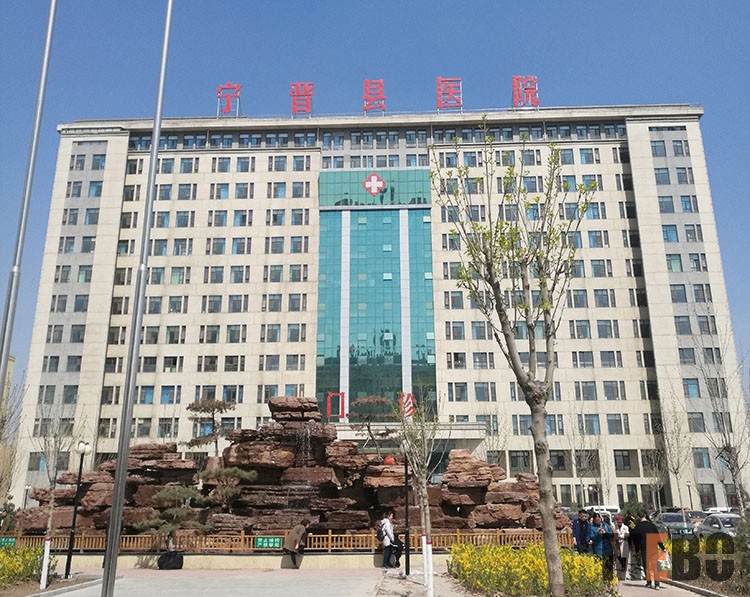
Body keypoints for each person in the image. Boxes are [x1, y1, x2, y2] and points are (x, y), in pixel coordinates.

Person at [631, 512, 665, 590]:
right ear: (645, 516)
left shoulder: (638, 526)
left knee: (646, 566)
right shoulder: (652, 525)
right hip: (653, 548)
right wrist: (663, 547)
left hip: (644, 548)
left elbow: (636, 538)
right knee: (655, 566)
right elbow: (657, 537)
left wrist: (637, 549)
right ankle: (657, 584)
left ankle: (649, 582)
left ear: (639, 517)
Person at [588, 513, 615, 582]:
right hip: (598, 549)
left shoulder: (605, 525)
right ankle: (600, 582)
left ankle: (609, 582)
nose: (598, 521)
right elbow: (592, 537)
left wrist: (605, 532)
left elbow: (612, 534)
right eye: (596, 520)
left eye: (599, 519)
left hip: (607, 548)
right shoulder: (592, 528)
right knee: (599, 567)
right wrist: (598, 534)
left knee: (608, 566)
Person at [615, 515, 630, 580]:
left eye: (620, 522)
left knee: (624, 559)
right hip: (618, 544)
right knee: (618, 558)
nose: (619, 523)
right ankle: (620, 574)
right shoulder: (615, 527)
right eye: (618, 522)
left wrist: (622, 536)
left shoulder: (625, 527)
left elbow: (627, 534)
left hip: (624, 543)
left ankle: (623, 575)